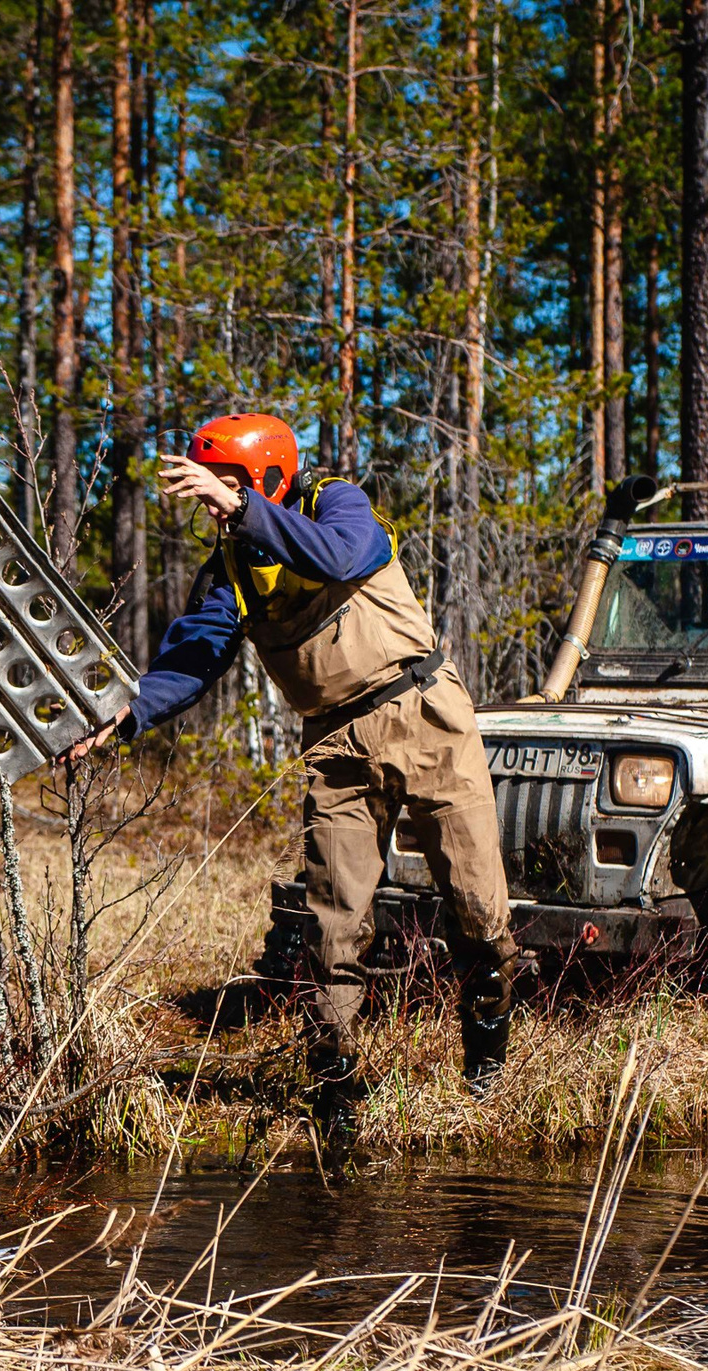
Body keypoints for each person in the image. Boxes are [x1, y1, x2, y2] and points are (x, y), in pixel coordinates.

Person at [69, 413, 518, 1106]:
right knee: (332, 928)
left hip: (427, 717)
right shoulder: (230, 570)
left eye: (223, 486)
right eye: (208, 491)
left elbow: (341, 555)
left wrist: (244, 511)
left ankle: (488, 1074)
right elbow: (194, 657)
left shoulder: (336, 502)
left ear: (264, 479)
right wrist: (127, 714)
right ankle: (336, 1092)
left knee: (478, 910)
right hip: (335, 747)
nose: (212, 505)